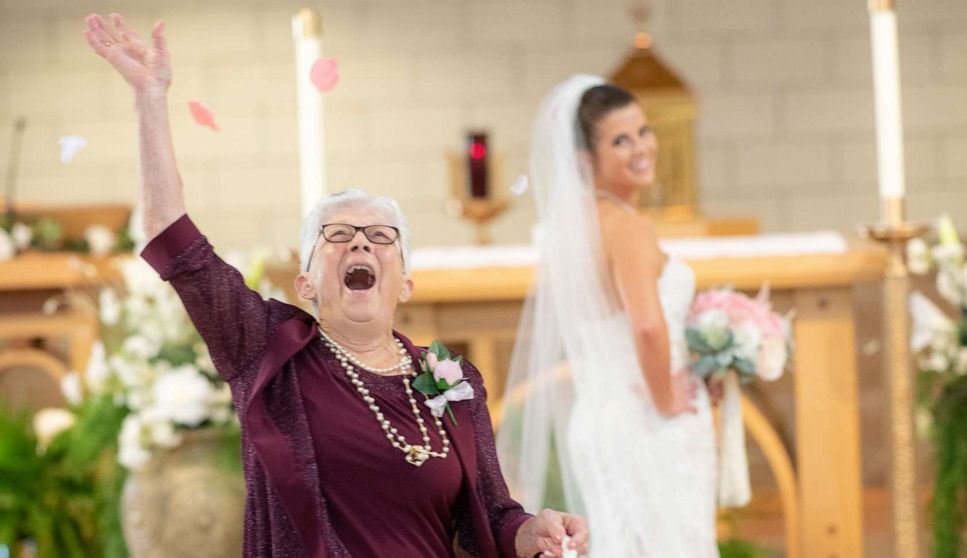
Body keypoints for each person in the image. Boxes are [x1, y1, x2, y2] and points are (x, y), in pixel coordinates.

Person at [83, 13, 588, 558]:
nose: (361, 244)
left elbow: (491, 513)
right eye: (338, 234)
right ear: (306, 283)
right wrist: (151, 98)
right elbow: (174, 240)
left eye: (380, 235)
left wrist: (531, 530)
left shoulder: (454, 380)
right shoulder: (265, 349)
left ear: (406, 283)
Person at [497, 75, 718, 556]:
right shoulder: (627, 227)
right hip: (647, 419)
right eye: (620, 140)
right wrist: (666, 400)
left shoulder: (572, 228)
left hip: (599, 420)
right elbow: (645, 326)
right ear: (585, 159)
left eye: (643, 131)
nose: (641, 147)